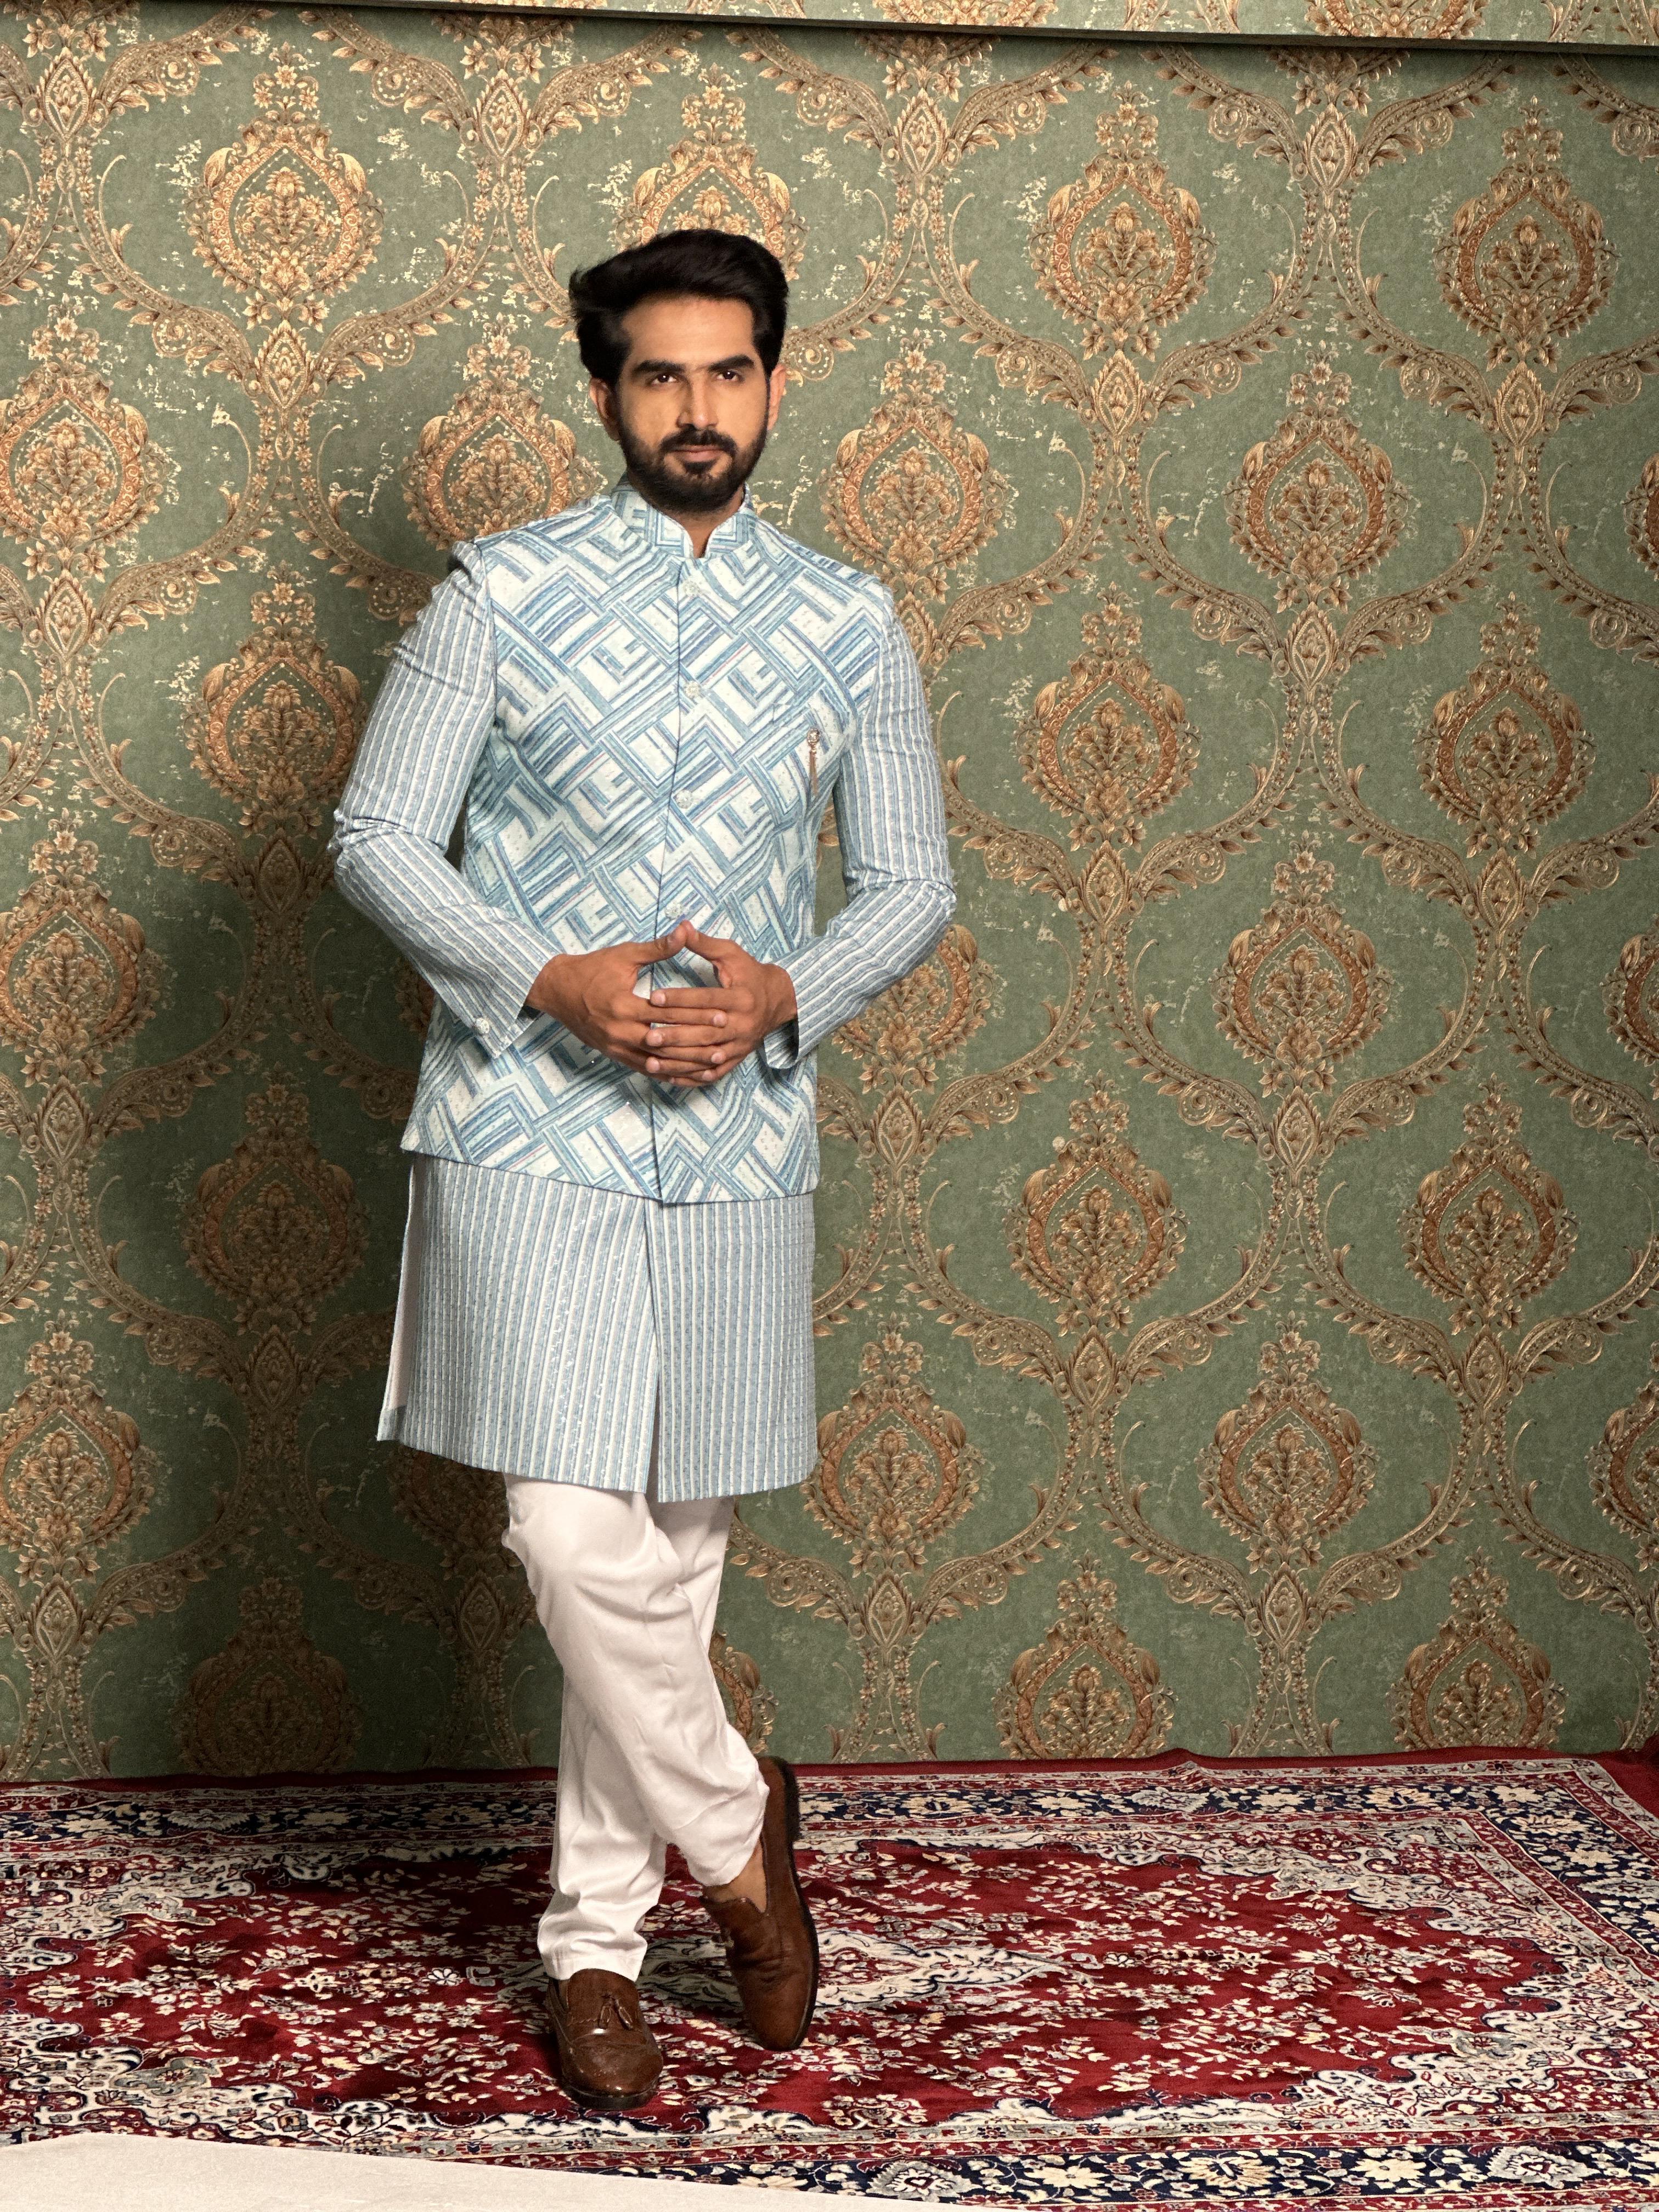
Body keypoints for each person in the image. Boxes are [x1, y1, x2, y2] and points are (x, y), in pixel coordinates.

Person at [326, 229, 955, 2109]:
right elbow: (377, 836)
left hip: (741, 1133)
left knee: (675, 1558)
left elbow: (910, 883)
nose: (699, 409)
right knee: (567, 1531)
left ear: (775, 379)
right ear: (607, 391)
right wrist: (551, 978)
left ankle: (595, 1948)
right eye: (661, 375)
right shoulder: (498, 596)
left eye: (730, 372)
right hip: (526, 1118)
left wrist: (785, 993)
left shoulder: (849, 619)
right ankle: (744, 1843)